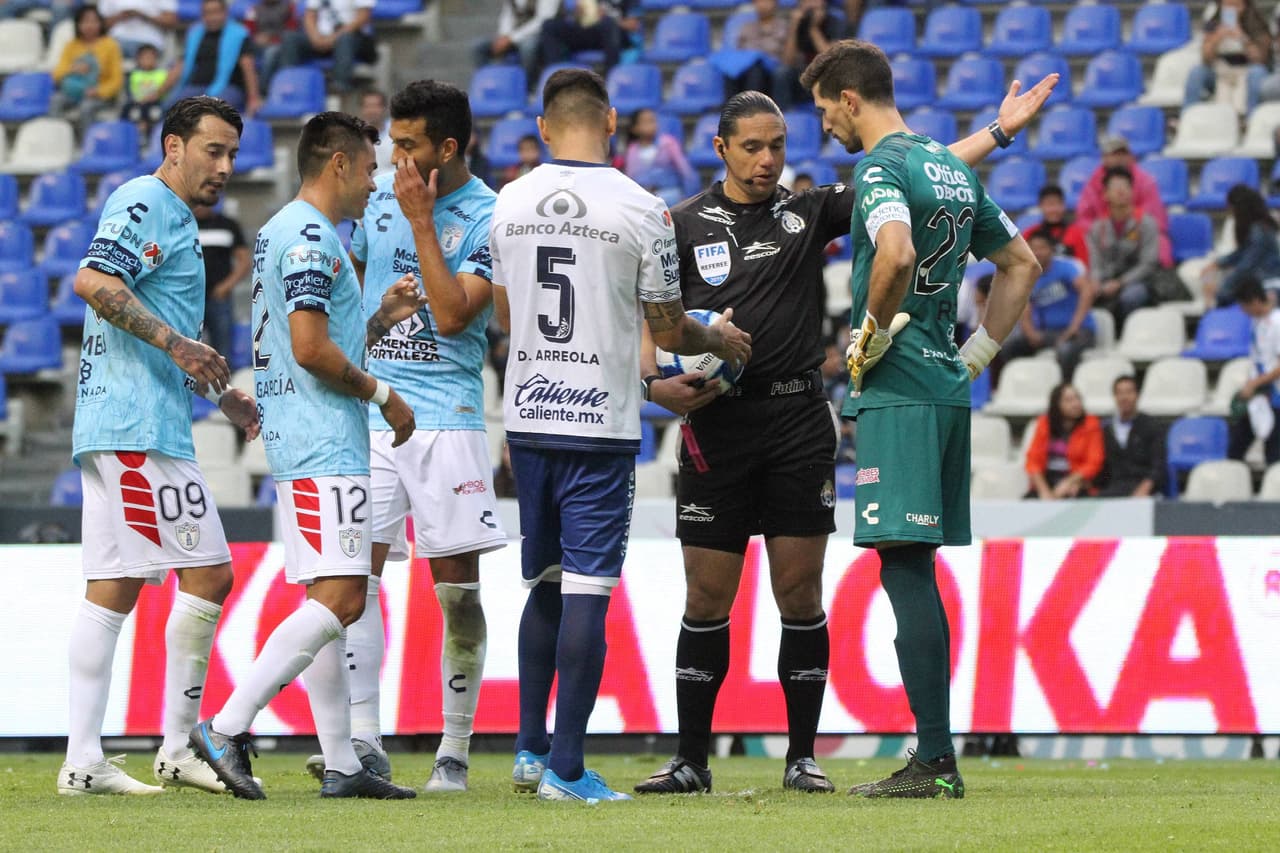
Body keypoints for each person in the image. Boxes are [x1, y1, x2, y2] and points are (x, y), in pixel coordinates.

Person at [634, 68, 1057, 794]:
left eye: (778, 146)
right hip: (718, 423)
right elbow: (653, 315)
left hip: (799, 418)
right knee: (707, 596)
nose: (768, 160)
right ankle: (691, 760)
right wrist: (653, 382)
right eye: (753, 148)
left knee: (800, 593)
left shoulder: (809, 211)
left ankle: (802, 756)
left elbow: (921, 173)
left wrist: (999, 131)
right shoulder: (681, 223)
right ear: (720, 148)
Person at [489, 67, 752, 803]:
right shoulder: (643, 208)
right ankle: (568, 771)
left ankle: (529, 749)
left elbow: (508, 317)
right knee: (587, 593)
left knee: (540, 581)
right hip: (599, 424)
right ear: (610, 121)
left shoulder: (507, 202)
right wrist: (719, 336)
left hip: (528, 419)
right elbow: (668, 328)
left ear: (543, 127)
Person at [801, 39, 1041, 798]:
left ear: (848, 99)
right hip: (945, 383)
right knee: (915, 565)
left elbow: (896, 254)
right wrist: (976, 356)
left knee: (903, 565)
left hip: (899, 388)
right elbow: (1023, 264)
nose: (826, 131)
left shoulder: (879, 167)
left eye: (823, 112)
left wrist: (866, 334)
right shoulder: (945, 166)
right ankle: (932, 751)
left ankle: (934, 757)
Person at [190, 111, 418, 801]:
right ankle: (226, 725)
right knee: (344, 594)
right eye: (371, 167)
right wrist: (385, 395)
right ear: (339, 163)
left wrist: (375, 319)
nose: (375, 181)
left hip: (299, 432)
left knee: (328, 595)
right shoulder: (314, 237)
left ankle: (343, 760)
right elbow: (314, 350)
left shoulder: (282, 231)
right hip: (324, 438)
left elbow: (312, 336)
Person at [303, 79, 509, 793]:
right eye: (392, 144)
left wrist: (423, 221)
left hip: (447, 417)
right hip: (374, 411)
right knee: (354, 580)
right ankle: (363, 740)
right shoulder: (378, 198)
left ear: (448, 148)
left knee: (457, 590)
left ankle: (453, 749)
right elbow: (361, 288)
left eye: (410, 145)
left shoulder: (489, 214)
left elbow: (455, 317)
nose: (395, 159)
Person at [59, 96, 258, 797]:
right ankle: (178, 743)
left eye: (232, 154)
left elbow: (161, 328)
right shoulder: (147, 200)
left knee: (110, 589)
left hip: (120, 424)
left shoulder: (172, 217)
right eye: (213, 150)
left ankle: (83, 758)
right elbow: (91, 280)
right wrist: (177, 341)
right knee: (209, 574)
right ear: (174, 145)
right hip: (139, 430)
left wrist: (222, 394)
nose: (225, 166)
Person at [1003, 231, 1095, 381]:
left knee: (1065, 350)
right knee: (1011, 347)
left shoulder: (1067, 267)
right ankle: (1025, 385)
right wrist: (1030, 332)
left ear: (1052, 249)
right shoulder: (1027, 275)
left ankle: (1064, 392)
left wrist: (1074, 327)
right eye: (1033, 248)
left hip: (1079, 332)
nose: (1037, 252)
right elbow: (1023, 305)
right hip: (1048, 333)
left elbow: (1087, 291)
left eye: (1042, 248)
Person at [1075, 135, 1171, 269]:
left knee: (1160, 242)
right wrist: (1105, 229)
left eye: (1123, 153)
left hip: (1139, 233)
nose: (1119, 158)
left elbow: (1156, 220)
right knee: (1082, 240)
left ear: (1130, 156)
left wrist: (1129, 229)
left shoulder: (1145, 181)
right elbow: (1084, 219)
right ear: (1104, 158)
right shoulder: (1092, 183)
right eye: (1113, 154)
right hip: (1104, 236)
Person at [1085, 168, 1158, 330]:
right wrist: (1096, 281)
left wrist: (1120, 283)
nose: (1121, 191)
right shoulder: (1098, 228)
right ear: (1105, 194)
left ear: (1132, 192)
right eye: (1115, 187)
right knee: (1084, 293)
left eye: (1125, 186)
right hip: (1107, 280)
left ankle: (1125, 335)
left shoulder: (1146, 223)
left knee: (1131, 297)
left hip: (1138, 281)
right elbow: (1095, 263)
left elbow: (1149, 264)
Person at [162, 0, 261, 115]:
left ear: (225, 12)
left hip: (229, 88)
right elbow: (181, 66)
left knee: (211, 109)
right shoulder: (195, 34)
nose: (212, 17)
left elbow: (248, 67)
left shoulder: (239, 34)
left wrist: (253, 98)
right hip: (197, 86)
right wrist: (157, 93)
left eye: (216, 12)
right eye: (207, 13)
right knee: (170, 106)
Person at [1185, 0, 1271, 115]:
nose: (1232, 10)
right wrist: (1216, 39)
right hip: (1221, 72)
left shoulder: (1257, 24)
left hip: (1247, 71)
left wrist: (1242, 38)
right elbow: (1206, 59)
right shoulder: (1213, 25)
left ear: (1245, 6)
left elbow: (1261, 59)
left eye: (1236, 6)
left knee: (1257, 72)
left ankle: (1251, 119)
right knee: (1196, 72)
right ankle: (1188, 118)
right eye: (1227, 6)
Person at [1228, 275, 1280, 465]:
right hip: (1258, 396)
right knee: (1234, 450)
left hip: (1275, 398)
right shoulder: (1257, 322)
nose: (1243, 311)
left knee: (1274, 457)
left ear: (1255, 301)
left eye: (1244, 306)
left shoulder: (1278, 323)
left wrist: (1255, 383)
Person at [272, 0, 376, 94]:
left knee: (345, 40)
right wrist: (315, 37)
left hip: (352, 37)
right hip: (320, 37)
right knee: (290, 38)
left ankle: (340, 86)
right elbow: (309, 16)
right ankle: (288, 85)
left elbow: (363, 17)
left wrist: (333, 38)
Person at [1202, 184, 1280, 307]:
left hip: (1269, 284)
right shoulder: (1256, 227)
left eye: (1231, 208)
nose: (1229, 211)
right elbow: (1242, 252)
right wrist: (1218, 263)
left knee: (1223, 296)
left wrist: (1222, 291)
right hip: (1260, 279)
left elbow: (1246, 267)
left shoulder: (1259, 232)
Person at [51, 5, 124, 136]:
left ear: (100, 24)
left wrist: (98, 91)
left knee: (86, 107)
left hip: (100, 93)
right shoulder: (71, 45)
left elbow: (117, 80)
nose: (89, 25)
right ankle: (56, 138)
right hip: (75, 91)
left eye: (94, 21)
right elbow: (57, 74)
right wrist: (72, 69)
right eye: (85, 21)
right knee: (55, 100)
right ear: (78, 24)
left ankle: (87, 144)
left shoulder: (110, 45)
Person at [1025, 382, 1105, 500]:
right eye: (1069, 400)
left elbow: (1094, 462)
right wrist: (1044, 490)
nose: (1075, 404)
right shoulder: (1044, 423)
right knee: (1028, 503)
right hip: (1047, 481)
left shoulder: (1091, 424)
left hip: (1076, 481)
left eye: (1077, 398)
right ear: (1057, 404)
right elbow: (1032, 460)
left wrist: (1069, 482)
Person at [194, 200, 250, 360]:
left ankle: (223, 385)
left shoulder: (228, 225)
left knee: (222, 351)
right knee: (188, 349)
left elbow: (244, 261)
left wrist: (226, 286)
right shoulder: (181, 225)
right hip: (189, 299)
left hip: (218, 298)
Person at [1097, 375, 1166, 498]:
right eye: (1119, 393)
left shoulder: (1152, 426)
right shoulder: (1106, 429)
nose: (1124, 397)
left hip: (1145, 488)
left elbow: (1158, 465)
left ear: (1137, 395)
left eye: (1129, 392)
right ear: (1115, 397)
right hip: (1115, 488)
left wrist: (1144, 488)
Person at [536, 0, 639, 76]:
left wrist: (608, 17)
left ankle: (611, 77)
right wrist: (579, 12)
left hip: (616, 37)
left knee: (609, 24)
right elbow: (579, 20)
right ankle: (556, 75)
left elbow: (633, 25)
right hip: (592, 33)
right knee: (549, 25)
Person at [775, 0, 843, 109]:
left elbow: (831, 57)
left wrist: (813, 29)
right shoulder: (798, 22)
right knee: (781, 73)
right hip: (803, 72)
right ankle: (785, 115)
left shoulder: (834, 21)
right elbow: (787, 60)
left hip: (825, 71)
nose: (811, 4)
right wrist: (794, 27)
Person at [619, 108, 698, 201]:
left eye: (652, 121)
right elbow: (630, 179)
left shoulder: (668, 144)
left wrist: (688, 198)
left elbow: (686, 172)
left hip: (669, 196)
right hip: (642, 197)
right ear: (634, 128)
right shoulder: (631, 150)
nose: (651, 125)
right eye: (645, 122)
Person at [472, 0, 558, 73]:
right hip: (511, 36)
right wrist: (504, 36)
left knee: (528, 47)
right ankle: (489, 81)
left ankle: (529, 87)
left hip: (539, 35)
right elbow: (507, 16)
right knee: (479, 46)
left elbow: (543, 21)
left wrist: (512, 38)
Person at [1022, 184, 1088, 266]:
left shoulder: (1076, 234)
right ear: (1040, 206)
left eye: (1058, 204)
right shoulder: (1029, 234)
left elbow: (1083, 266)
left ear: (1064, 206)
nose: (1054, 209)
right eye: (1049, 204)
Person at [98, 0, 178, 59]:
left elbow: (171, 21)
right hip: (117, 40)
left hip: (149, 41)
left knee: (147, 58)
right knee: (104, 52)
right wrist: (121, 16)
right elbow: (98, 23)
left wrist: (142, 15)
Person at [122, 43, 168, 136]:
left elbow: (165, 92)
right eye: (144, 58)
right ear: (138, 60)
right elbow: (130, 92)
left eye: (150, 58)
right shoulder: (134, 75)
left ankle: (150, 133)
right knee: (128, 110)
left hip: (155, 103)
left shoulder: (162, 74)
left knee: (155, 113)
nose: (148, 61)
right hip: (137, 103)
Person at [358, 89, 393, 173]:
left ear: (384, 108)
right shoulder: (354, 135)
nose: (372, 110)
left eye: (376, 106)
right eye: (368, 106)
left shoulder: (397, 131)